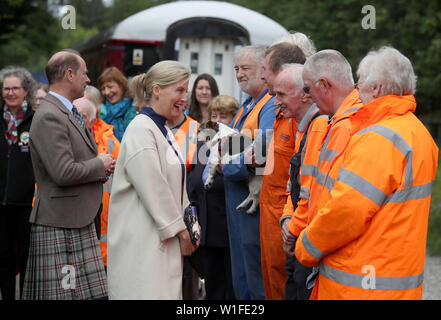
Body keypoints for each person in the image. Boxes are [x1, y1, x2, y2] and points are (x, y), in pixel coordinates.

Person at [295, 47, 439, 300]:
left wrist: (305, 246)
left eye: (359, 83)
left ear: (376, 88)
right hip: (397, 284)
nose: (356, 91)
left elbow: (346, 211)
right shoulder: (419, 133)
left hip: (358, 287)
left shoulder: (378, 138)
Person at [22, 50, 115, 300]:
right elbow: (63, 172)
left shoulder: (64, 110)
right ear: (69, 74)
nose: (88, 79)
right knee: (65, 296)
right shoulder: (50, 115)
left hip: (72, 221)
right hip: (61, 223)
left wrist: (100, 169)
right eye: (85, 73)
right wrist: (99, 164)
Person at [107, 60, 199, 300]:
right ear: (157, 90)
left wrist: (190, 224)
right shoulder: (141, 129)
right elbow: (153, 187)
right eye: (179, 90)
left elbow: (175, 185)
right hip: (143, 245)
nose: (184, 98)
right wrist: (182, 231)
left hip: (159, 242)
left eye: (185, 91)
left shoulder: (162, 129)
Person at [280, 50, 362, 300]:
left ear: (324, 85)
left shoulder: (348, 125)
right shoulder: (333, 122)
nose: (307, 97)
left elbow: (342, 205)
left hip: (327, 251)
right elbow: (308, 187)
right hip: (318, 243)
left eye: (307, 89)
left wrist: (301, 240)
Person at [222, 45, 278, 300]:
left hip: (253, 212)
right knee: (242, 280)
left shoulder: (268, 105)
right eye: (236, 69)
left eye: (246, 68)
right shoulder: (247, 106)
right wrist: (233, 157)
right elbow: (234, 151)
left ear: (263, 70)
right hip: (240, 210)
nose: (239, 74)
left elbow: (260, 154)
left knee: (255, 285)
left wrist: (228, 163)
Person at [272, 65, 328, 300]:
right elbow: (292, 183)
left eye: (281, 95)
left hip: (305, 241)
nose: (276, 102)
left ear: (306, 94)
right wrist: (287, 218)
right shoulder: (303, 129)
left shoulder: (320, 127)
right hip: (296, 236)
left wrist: (292, 230)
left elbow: (311, 192)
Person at [258, 40, 307, 300]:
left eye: (263, 68)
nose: (260, 74)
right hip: (270, 216)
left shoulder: (295, 117)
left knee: (283, 286)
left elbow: (299, 179)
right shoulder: (279, 111)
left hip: (284, 222)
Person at [187, 95, 238, 300]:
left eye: (223, 116)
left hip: (226, 229)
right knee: (212, 287)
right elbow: (193, 180)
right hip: (204, 228)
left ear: (233, 119)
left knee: (229, 289)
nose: (217, 121)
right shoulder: (202, 142)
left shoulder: (236, 144)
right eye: (214, 115)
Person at [0, 66, 36, 300]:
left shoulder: (36, 119)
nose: (10, 93)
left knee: (25, 256)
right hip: (1, 202)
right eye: (6, 88)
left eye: (15, 88)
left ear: (25, 90)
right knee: (3, 256)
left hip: (27, 201)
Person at [74, 94, 121, 270]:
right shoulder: (62, 140)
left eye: (78, 115)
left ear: (91, 120)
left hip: (106, 228)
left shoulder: (111, 144)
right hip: (72, 223)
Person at [98, 66, 137, 141]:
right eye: (103, 89)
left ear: (121, 85)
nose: (106, 92)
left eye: (110, 87)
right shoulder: (101, 111)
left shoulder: (134, 108)